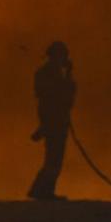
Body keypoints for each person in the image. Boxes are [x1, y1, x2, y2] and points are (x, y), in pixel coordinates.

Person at [28, 41, 76, 200]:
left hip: (56, 119)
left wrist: (68, 75)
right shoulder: (46, 73)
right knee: (54, 158)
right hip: (53, 119)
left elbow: (68, 96)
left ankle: (41, 190)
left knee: (54, 158)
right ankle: (42, 191)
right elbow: (54, 95)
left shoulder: (53, 73)